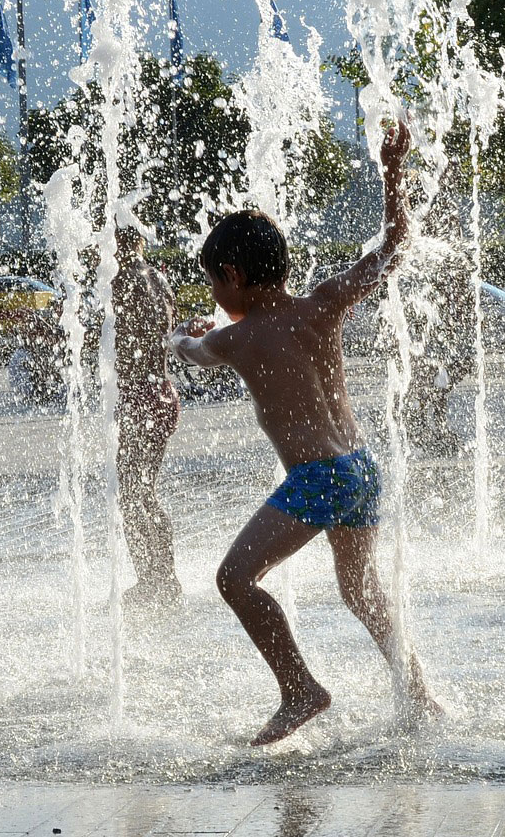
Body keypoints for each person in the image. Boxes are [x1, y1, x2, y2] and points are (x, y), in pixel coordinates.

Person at [171, 124, 438, 746]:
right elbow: (396, 248)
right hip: (361, 467)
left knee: (235, 579)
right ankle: (420, 697)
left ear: (232, 275)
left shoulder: (235, 338)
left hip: (318, 476)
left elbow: (197, 351)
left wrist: (176, 337)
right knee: (362, 592)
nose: (215, 292)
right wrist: (391, 175)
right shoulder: (324, 302)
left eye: (215, 281)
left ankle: (299, 690)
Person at [114, 227, 183, 608]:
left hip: (138, 398)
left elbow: (113, 338)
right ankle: (164, 576)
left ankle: (151, 581)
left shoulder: (122, 280)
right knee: (144, 492)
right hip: (161, 391)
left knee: (131, 495)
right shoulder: (159, 279)